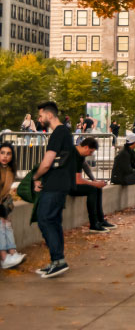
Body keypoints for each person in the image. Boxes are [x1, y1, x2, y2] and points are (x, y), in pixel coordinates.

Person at [31, 101, 75, 278]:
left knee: (45, 219)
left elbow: (47, 162)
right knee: (53, 221)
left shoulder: (58, 132)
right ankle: (57, 261)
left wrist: (35, 177)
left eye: (40, 116)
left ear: (49, 115)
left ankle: (58, 261)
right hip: (60, 184)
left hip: (55, 184)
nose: (39, 119)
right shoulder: (65, 132)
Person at [71, 136, 117, 233]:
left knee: (97, 188)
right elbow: (77, 180)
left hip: (70, 183)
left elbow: (85, 166)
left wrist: (94, 180)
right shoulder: (73, 155)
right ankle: (93, 224)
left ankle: (100, 220)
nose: (89, 154)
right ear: (86, 147)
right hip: (64, 186)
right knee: (92, 189)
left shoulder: (79, 153)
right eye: (90, 152)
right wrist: (94, 184)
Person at [0, 141, 26, 269]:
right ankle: (4, 258)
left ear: (12, 156)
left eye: (8, 154)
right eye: (2, 153)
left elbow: (5, 194)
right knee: (1, 224)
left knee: (7, 224)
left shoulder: (10, 170)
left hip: (1, 204)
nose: (5, 156)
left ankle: (12, 252)